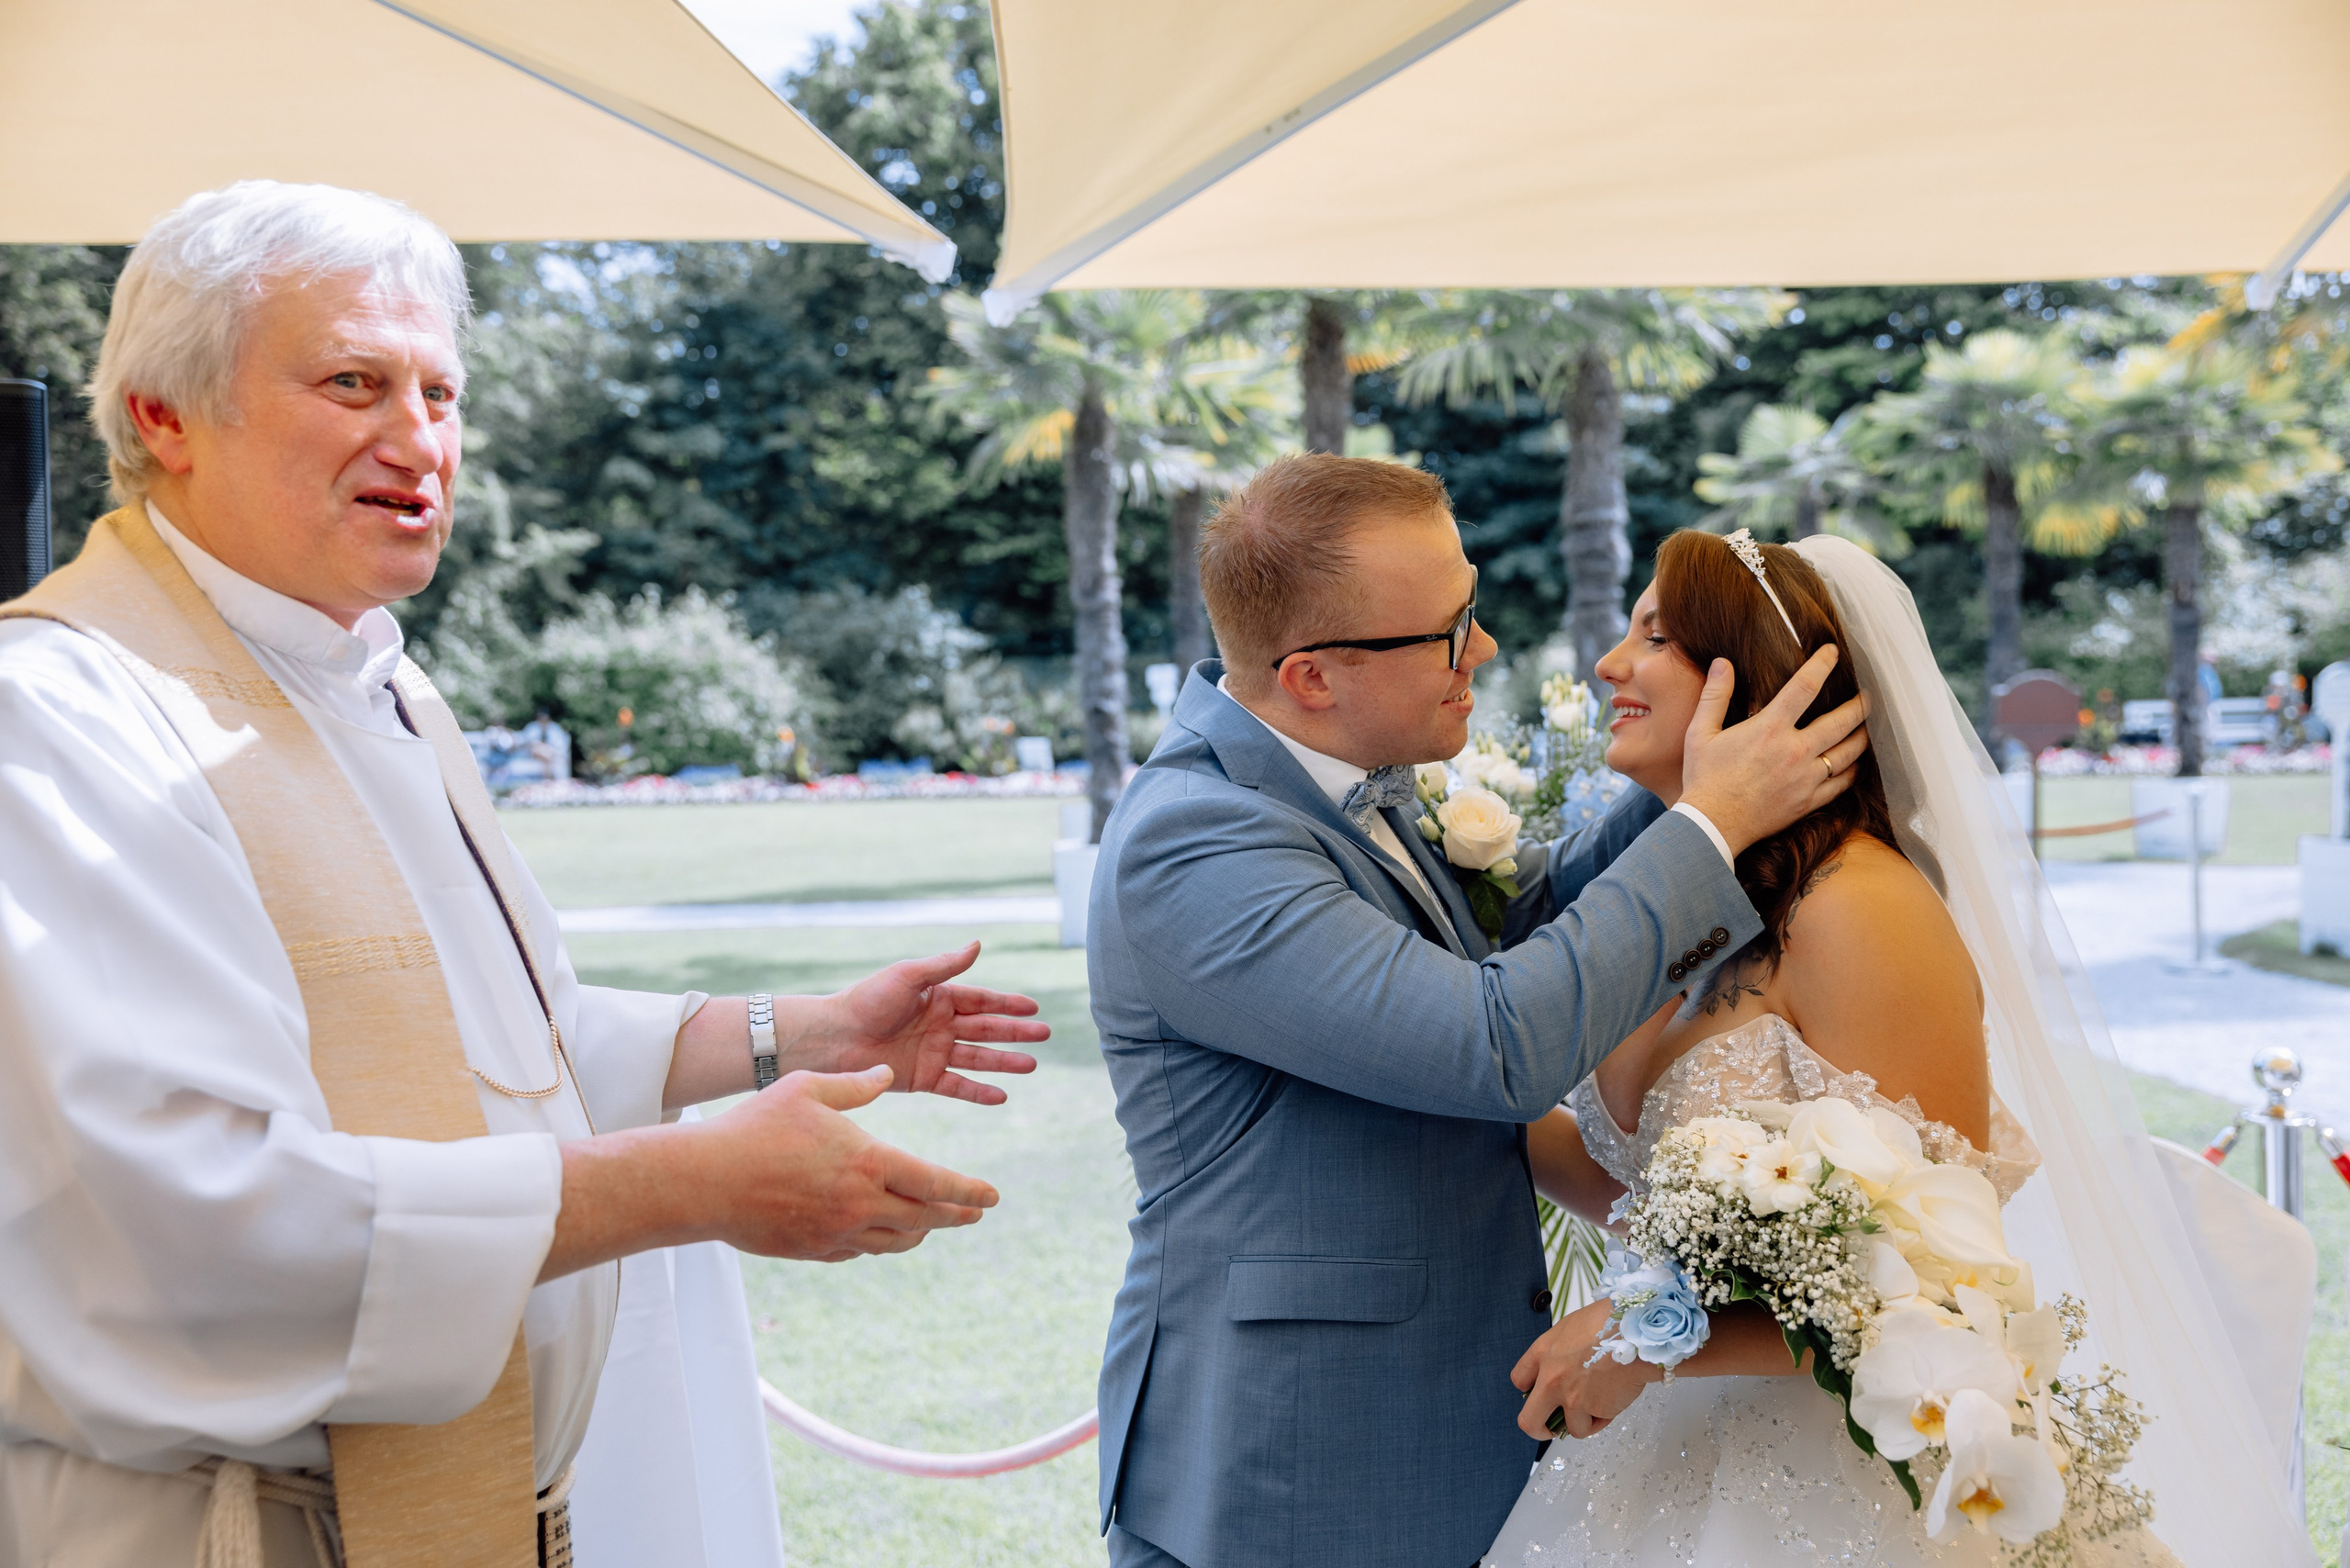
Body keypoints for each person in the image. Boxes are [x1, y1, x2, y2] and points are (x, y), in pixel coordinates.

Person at [0, 181, 1044, 1567]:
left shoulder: (380, 686)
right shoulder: (60, 714)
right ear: (164, 418)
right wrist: (687, 1185)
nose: (418, 437)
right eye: (354, 381)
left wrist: (788, 1034)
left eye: (441, 392)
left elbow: (474, 1050)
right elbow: (184, 1230)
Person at [1085, 454, 1870, 1568]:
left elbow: (1519, 929)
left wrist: (1689, 774)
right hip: (1299, 1467)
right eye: (1450, 629)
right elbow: (1492, 1042)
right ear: (1311, 677)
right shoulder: (1199, 842)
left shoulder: (1351, 782)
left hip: (1421, 1433)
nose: (1484, 650)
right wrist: (1713, 823)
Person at [1481, 532, 2305, 1566]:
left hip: (1852, 1475)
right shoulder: (1685, 903)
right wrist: (1431, 1070)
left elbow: (1944, 1280)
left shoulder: (1862, 909)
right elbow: (1648, 1195)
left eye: (1654, 636)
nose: (1609, 664)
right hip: (1657, 1460)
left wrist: (1643, 1339)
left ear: (1759, 685)